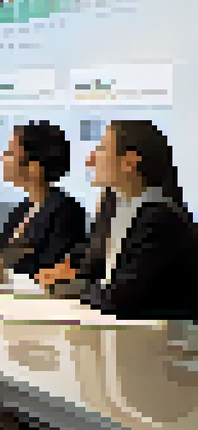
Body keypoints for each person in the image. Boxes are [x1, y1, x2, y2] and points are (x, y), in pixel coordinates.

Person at [0, 121, 89, 430]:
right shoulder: (26, 208)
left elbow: (48, 272)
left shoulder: (64, 211)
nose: (3, 159)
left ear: (34, 166)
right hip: (12, 310)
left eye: (10, 152)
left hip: (41, 322)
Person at [35, 119, 198, 318]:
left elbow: (117, 298)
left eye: (102, 149)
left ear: (129, 162)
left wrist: (67, 287)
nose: (90, 160)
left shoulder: (159, 220)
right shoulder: (129, 211)